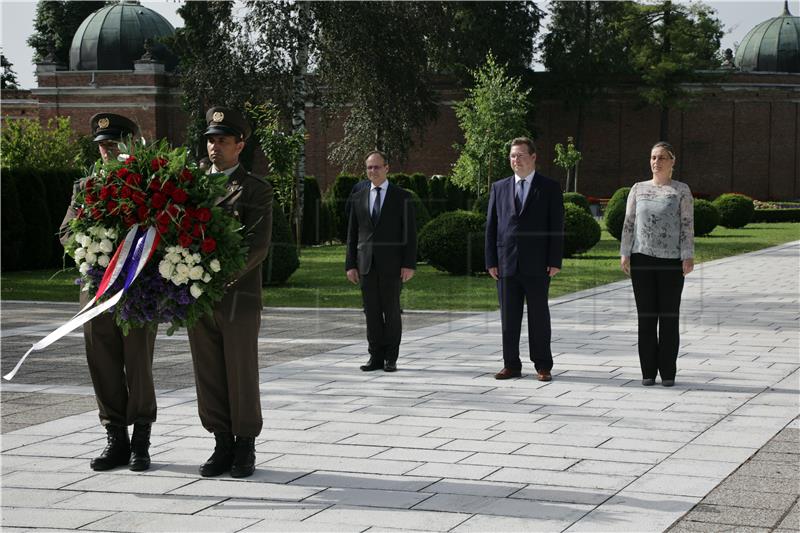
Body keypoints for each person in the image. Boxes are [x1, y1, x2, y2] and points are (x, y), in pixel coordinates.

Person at [59, 113, 157, 472]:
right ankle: (116, 437)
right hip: (96, 287)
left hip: (137, 286)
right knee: (101, 358)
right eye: (102, 145)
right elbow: (66, 231)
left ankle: (142, 441)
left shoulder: (147, 184)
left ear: (131, 143)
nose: (107, 150)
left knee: (138, 362)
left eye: (113, 143)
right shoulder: (84, 186)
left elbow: (159, 230)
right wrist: (90, 244)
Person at [187, 106, 273, 478]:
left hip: (238, 295)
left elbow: (258, 245)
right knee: (207, 370)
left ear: (240, 144)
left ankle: (245, 445)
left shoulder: (255, 188)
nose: (214, 147)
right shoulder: (190, 186)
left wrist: (221, 277)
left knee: (240, 370)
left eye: (222, 140)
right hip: (194, 295)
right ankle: (221, 442)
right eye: (210, 140)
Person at [485, 137, 564, 382]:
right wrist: (491, 260)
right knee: (508, 318)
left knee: (539, 316)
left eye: (520, 155)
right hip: (506, 263)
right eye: (512, 156)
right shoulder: (499, 187)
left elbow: (556, 227)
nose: (515, 160)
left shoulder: (549, 187)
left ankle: (543, 365)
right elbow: (492, 226)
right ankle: (511, 365)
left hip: (538, 264)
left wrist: (554, 260)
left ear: (533, 157)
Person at [620, 141, 694, 387]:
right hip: (642, 259)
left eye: (662, 157)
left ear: (672, 162)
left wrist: (687, 254)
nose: (656, 162)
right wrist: (625, 253)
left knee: (669, 318)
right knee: (647, 317)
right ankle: (648, 373)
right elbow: (629, 222)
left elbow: (687, 225)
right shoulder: (638, 189)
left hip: (671, 263)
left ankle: (669, 373)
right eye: (653, 157)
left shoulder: (681, 190)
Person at [345, 151, 416, 372]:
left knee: (391, 311)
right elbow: (352, 233)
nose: (372, 171)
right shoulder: (358, 196)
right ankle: (375, 357)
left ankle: (390, 358)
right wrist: (350, 264)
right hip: (365, 263)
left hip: (392, 264)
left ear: (387, 168)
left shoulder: (401, 196)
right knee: (371, 311)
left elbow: (410, 233)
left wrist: (409, 263)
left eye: (377, 167)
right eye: (369, 168)